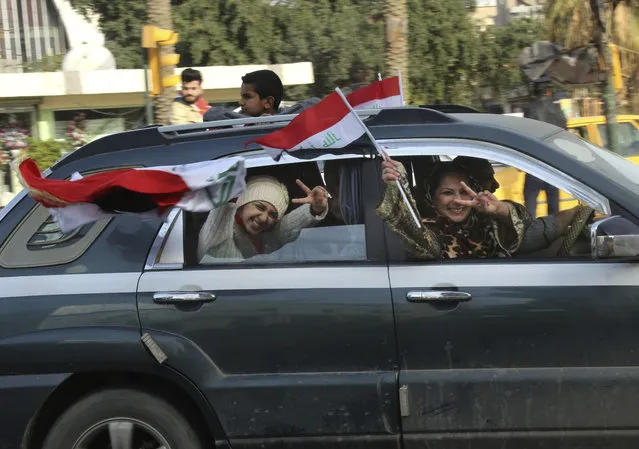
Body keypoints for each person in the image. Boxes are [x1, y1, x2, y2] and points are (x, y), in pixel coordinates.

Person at [377, 154, 530, 260]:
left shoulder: (487, 221)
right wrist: (397, 186)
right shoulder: (428, 230)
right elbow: (419, 240)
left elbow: (527, 225)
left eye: (464, 192)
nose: (457, 200)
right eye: (447, 193)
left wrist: (499, 210)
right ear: (432, 197)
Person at [455, 156, 593, 254]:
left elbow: (525, 222)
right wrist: (570, 214)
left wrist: (500, 210)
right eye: (487, 178)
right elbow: (530, 233)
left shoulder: (484, 217)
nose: (496, 185)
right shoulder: (441, 232)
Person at [197, 175, 329, 262]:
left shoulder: (268, 236)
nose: (264, 218)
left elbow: (286, 226)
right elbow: (218, 218)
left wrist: (315, 209)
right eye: (259, 207)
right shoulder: (219, 234)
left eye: (273, 215)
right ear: (242, 204)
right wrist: (228, 196)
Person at [523, 82, 565, 217]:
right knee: (553, 202)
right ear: (548, 90)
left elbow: (525, 135)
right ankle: (553, 230)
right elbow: (564, 132)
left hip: (535, 162)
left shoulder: (530, 109)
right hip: (553, 162)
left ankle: (531, 230)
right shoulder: (557, 108)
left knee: (530, 200)